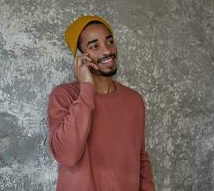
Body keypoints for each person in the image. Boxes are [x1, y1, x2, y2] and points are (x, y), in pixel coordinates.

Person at [47, 15, 155, 191]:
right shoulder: (64, 96)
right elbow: (68, 155)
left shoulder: (134, 100)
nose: (107, 51)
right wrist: (86, 88)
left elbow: (140, 158)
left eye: (110, 42)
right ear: (81, 56)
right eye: (94, 46)